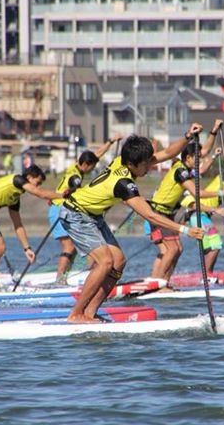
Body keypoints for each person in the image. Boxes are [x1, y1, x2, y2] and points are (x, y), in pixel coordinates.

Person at [59, 124, 206, 323]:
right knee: (105, 262)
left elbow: (170, 152)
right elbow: (150, 216)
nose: (150, 167)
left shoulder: (125, 159)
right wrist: (185, 229)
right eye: (146, 164)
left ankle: (90, 312)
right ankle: (75, 314)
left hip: (93, 216)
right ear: (133, 164)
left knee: (119, 261)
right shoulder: (124, 184)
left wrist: (188, 136)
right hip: (75, 214)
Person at [146, 121, 224, 284]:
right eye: (197, 158)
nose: (200, 160)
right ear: (188, 158)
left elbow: (205, 150)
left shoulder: (186, 165)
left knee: (178, 249)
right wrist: (221, 192)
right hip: (158, 212)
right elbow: (197, 193)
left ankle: (165, 282)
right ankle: (158, 284)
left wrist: (213, 132)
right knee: (172, 250)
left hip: (168, 214)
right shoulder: (180, 171)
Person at [0, 164, 63, 293]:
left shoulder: (15, 197)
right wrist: (62, 195)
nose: (38, 186)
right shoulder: (17, 180)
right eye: (37, 183)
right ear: (28, 177)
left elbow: (18, 224)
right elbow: (40, 194)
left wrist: (27, 248)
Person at [48, 134, 123, 285]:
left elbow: (96, 154)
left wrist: (111, 141)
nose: (93, 169)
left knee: (74, 249)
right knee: (69, 247)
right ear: (86, 164)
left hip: (63, 209)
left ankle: (64, 278)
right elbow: (73, 182)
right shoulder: (75, 175)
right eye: (93, 166)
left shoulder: (78, 165)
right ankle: (59, 281)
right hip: (59, 209)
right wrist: (74, 189)